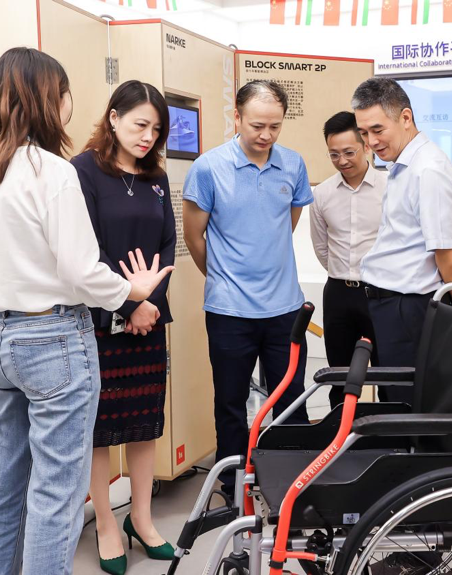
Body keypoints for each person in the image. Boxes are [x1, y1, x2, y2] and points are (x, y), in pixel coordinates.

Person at [0, 48, 173, 575]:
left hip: (2, 339)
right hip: (55, 339)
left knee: (5, 482)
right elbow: (80, 271)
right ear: (49, 99)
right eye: (65, 92)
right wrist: (132, 293)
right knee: (56, 492)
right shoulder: (54, 172)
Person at [182, 80, 313, 495]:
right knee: (230, 403)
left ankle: (293, 482)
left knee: (290, 399)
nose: (266, 135)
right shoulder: (208, 168)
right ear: (236, 117)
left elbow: (285, 225)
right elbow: (194, 236)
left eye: (275, 126)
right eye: (257, 125)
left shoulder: (293, 165)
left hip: (285, 309)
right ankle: (233, 483)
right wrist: (224, 278)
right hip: (229, 311)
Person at [71, 80, 175, 574]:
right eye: (140, 125)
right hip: (101, 319)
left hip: (150, 319)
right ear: (113, 118)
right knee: (99, 429)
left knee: (143, 423)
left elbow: (168, 244)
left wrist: (149, 302)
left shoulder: (157, 176)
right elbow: (87, 248)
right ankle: (107, 524)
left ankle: (142, 518)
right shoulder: (83, 171)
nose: (148, 138)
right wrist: (128, 303)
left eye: (156, 130)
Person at [352, 77, 452, 407]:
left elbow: (449, 255)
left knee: (411, 407)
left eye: (378, 130)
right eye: (364, 133)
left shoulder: (427, 169)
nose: (371, 141)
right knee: (396, 401)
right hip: (394, 307)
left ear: (405, 117)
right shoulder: (403, 165)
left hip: (410, 309)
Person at [310, 111, 386, 408]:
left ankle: (390, 434)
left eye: (349, 152)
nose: (342, 160)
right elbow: (322, 247)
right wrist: (343, 272)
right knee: (339, 376)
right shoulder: (322, 193)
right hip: (339, 294)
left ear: (366, 145)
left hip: (382, 293)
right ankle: (341, 433)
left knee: (389, 375)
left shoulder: (390, 188)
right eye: (334, 154)